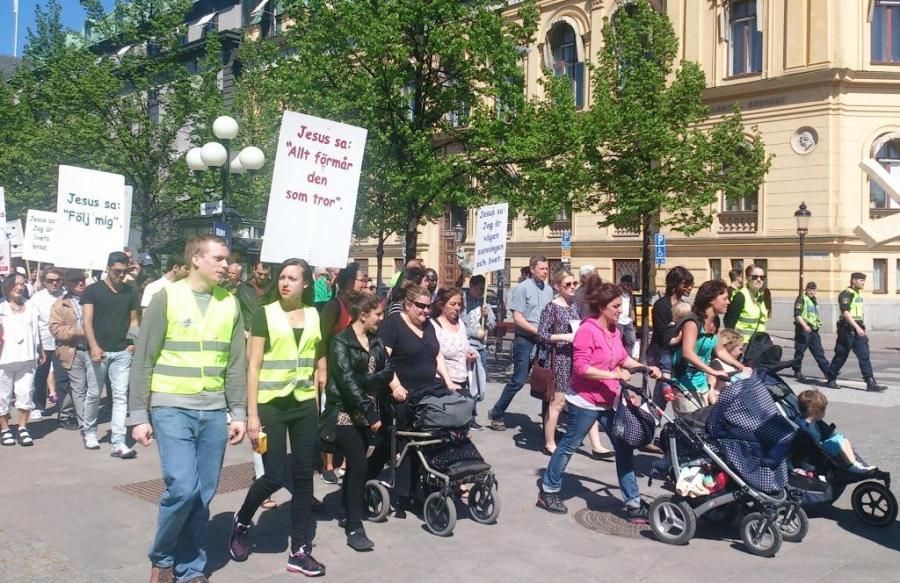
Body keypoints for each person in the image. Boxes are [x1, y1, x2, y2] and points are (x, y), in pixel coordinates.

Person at [129, 235, 247, 583]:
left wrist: (238, 412)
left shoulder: (230, 303)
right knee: (182, 487)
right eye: (219, 258)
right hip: (171, 405)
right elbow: (144, 359)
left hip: (214, 411)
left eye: (227, 259)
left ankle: (190, 567)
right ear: (196, 258)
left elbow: (235, 364)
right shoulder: (167, 297)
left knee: (202, 495)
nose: (226, 265)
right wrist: (139, 416)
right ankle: (163, 558)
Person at [227, 258, 327, 575]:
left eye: (292, 278)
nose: (284, 283)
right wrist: (251, 414)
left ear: (306, 284)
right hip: (271, 404)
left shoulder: (314, 315)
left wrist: (318, 395)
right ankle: (242, 521)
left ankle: (299, 550)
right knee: (273, 475)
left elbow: (315, 357)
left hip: (303, 404)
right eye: (282, 277)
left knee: (304, 478)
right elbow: (253, 366)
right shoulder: (265, 314)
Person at [536, 278, 662, 521]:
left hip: (609, 399)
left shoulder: (613, 331)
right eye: (616, 306)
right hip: (585, 401)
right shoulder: (587, 330)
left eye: (620, 306)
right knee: (570, 445)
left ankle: (633, 503)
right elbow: (581, 368)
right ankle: (549, 490)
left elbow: (623, 358)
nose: (620, 311)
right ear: (602, 307)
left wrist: (644, 368)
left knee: (623, 448)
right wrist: (614, 375)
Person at [323, 291, 392, 551]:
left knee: (355, 466)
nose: (381, 318)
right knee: (360, 465)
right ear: (363, 315)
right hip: (345, 412)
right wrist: (369, 408)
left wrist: (366, 382)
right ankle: (354, 526)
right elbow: (346, 382)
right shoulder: (340, 342)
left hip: (367, 412)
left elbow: (388, 370)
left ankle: (345, 508)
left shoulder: (376, 340)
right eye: (378, 314)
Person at [378, 285, 455, 515]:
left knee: (434, 437)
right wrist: (395, 386)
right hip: (402, 395)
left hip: (426, 393)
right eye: (421, 306)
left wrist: (449, 381)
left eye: (428, 306)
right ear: (407, 304)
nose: (426, 311)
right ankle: (404, 492)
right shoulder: (393, 325)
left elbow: (437, 355)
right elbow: (383, 359)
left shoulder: (428, 325)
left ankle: (424, 484)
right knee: (406, 441)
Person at [537, 269, 612, 456]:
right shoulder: (552, 307)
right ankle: (549, 443)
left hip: (577, 357)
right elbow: (542, 335)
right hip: (560, 359)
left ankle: (596, 445)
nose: (572, 287)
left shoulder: (574, 305)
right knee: (558, 402)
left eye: (574, 284)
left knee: (587, 400)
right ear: (557, 287)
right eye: (568, 284)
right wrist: (565, 337)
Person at [83, 251, 140, 460]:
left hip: (122, 351)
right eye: (117, 271)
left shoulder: (130, 291)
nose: (121, 275)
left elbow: (134, 320)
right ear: (108, 268)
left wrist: (131, 343)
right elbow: (87, 321)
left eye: (125, 271)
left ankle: (118, 442)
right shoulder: (92, 291)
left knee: (120, 396)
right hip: (98, 351)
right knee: (94, 394)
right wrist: (93, 346)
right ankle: (89, 431)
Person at [488, 255, 553, 431]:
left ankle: (548, 426)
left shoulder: (549, 290)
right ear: (532, 269)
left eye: (547, 269)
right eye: (542, 269)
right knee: (518, 379)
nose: (545, 272)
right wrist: (537, 331)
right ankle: (497, 413)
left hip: (543, 342)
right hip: (525, 340)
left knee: (546, 381)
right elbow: (517, 318)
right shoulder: (522, 289)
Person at [319, 263, 367, 485]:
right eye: (361, 280)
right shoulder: (333, 306)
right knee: (330, 416)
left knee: (351, 415)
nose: (364, 283)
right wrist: (322, 369)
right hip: (332, 370)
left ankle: (347, 461)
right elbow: (321, 339)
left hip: (352, 371)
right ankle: (327, 465)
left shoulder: (358, 306)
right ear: (349, 282)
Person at [672, 280, 749, 415]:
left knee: (704, 422)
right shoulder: (692, 322)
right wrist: (713, 372)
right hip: (684, 383)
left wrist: (741, 367)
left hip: (701, 382)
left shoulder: (714, 322)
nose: (728, 302)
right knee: (691, 424)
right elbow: (687, 353)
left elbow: (720, 350)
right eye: (724, 298)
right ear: (711, 299)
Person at [50, 270, 103, 449]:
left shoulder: (93, 299)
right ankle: (86, 426)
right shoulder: (60, 304)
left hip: (93, 349)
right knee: (78, 389)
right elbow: (56, 329)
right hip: (73, 351)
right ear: (67, 283)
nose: (80, 283)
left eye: (82, 280)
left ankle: (88, 419)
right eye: (75, 281)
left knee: (94, 389)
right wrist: (80, 331)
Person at [0, 273, 45, 447]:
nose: (20, 287)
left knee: (26, 393)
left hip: (27, 358)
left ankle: (22, 427)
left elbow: (36, 330)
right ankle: (5, 429)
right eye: (16, 284)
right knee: (2, 396)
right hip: (3, 360)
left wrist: (40, 349)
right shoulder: (1, 307)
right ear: (7, 286)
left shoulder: (31, 305)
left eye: (22, 284)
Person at [29, 267, 75, 428]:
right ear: (43, 282)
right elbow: (33, 323)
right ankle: (38, 406)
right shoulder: (36, 298)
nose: (54, 283)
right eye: (50, 280)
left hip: (62, 343)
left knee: (63, 378)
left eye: (57, 280)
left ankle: (64, 411)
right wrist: (38, 345)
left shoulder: (66, 296)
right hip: (43, 343)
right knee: (40, 376)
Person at [826, 273, 887, 392]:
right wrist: (857, 328)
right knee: (841, 355)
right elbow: (845, 313)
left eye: (864, 280)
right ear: (854, 281)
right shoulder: (846, 294)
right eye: (861, 280)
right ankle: (831, 377)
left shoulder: (858, 294)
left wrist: (860, 327)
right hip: (847, 330)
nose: (863, 283)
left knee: (864, 355)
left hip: (858, 329)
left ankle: (870, 382)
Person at [648, 267, 694, 413]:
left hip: (675, 354)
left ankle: (660, 419)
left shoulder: (684, 305)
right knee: (662, 392)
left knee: (672, 391)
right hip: (661, 353)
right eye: (686, 284)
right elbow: (662, 336)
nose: (690, 287)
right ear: (675, 284)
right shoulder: (662, 305)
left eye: (691, 284)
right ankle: (651, 420)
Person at [797, 389, 875, 473]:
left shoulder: (809, 421)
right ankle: (852, 465)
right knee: (837, 441)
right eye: (823, 410)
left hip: (818, 446)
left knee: (842, 439)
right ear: (815, 411)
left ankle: (854, 463)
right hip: (817, 451)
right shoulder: (804, 425)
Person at [792, 281, 831, 382]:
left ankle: (827, 372)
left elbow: (814, 316)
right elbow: (797, 315)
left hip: (813, 330)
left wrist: (818, 324)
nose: (812, 292)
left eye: (813, 290)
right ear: (806, 290)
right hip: (803, 329)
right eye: (810, 290)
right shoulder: (802, 299)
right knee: (800, 352)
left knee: (819, 352)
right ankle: (797, 371)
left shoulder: (813, 301)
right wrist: (805, 326)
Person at [724, 264, 769, 344]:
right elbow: (729, 322)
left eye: (762, 277)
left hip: (758, 344)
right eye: (755, 277)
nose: (759, 280)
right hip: (743, 345)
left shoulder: (760, 296)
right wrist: (734, 344)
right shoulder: (740, 296)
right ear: (747, 278)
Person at [235, 261, 271, 332]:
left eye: (266, 275)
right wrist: (242, 329)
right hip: (248, 330)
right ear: (254, 270)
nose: (262, 277)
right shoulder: (242, 288)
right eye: (260, 274)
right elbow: (237, 310)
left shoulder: (273, 288)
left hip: (268, 330)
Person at [618, 275, 637, 356]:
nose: (629, 287)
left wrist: (632, 315)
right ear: (622, 283)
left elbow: (631, 305)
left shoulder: (629, 293)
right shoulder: (617, 293)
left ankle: (628, 357)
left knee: (631, 340)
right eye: (627, 285)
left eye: (630, 285)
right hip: (618, 320)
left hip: (627, 320)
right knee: (618, 340)